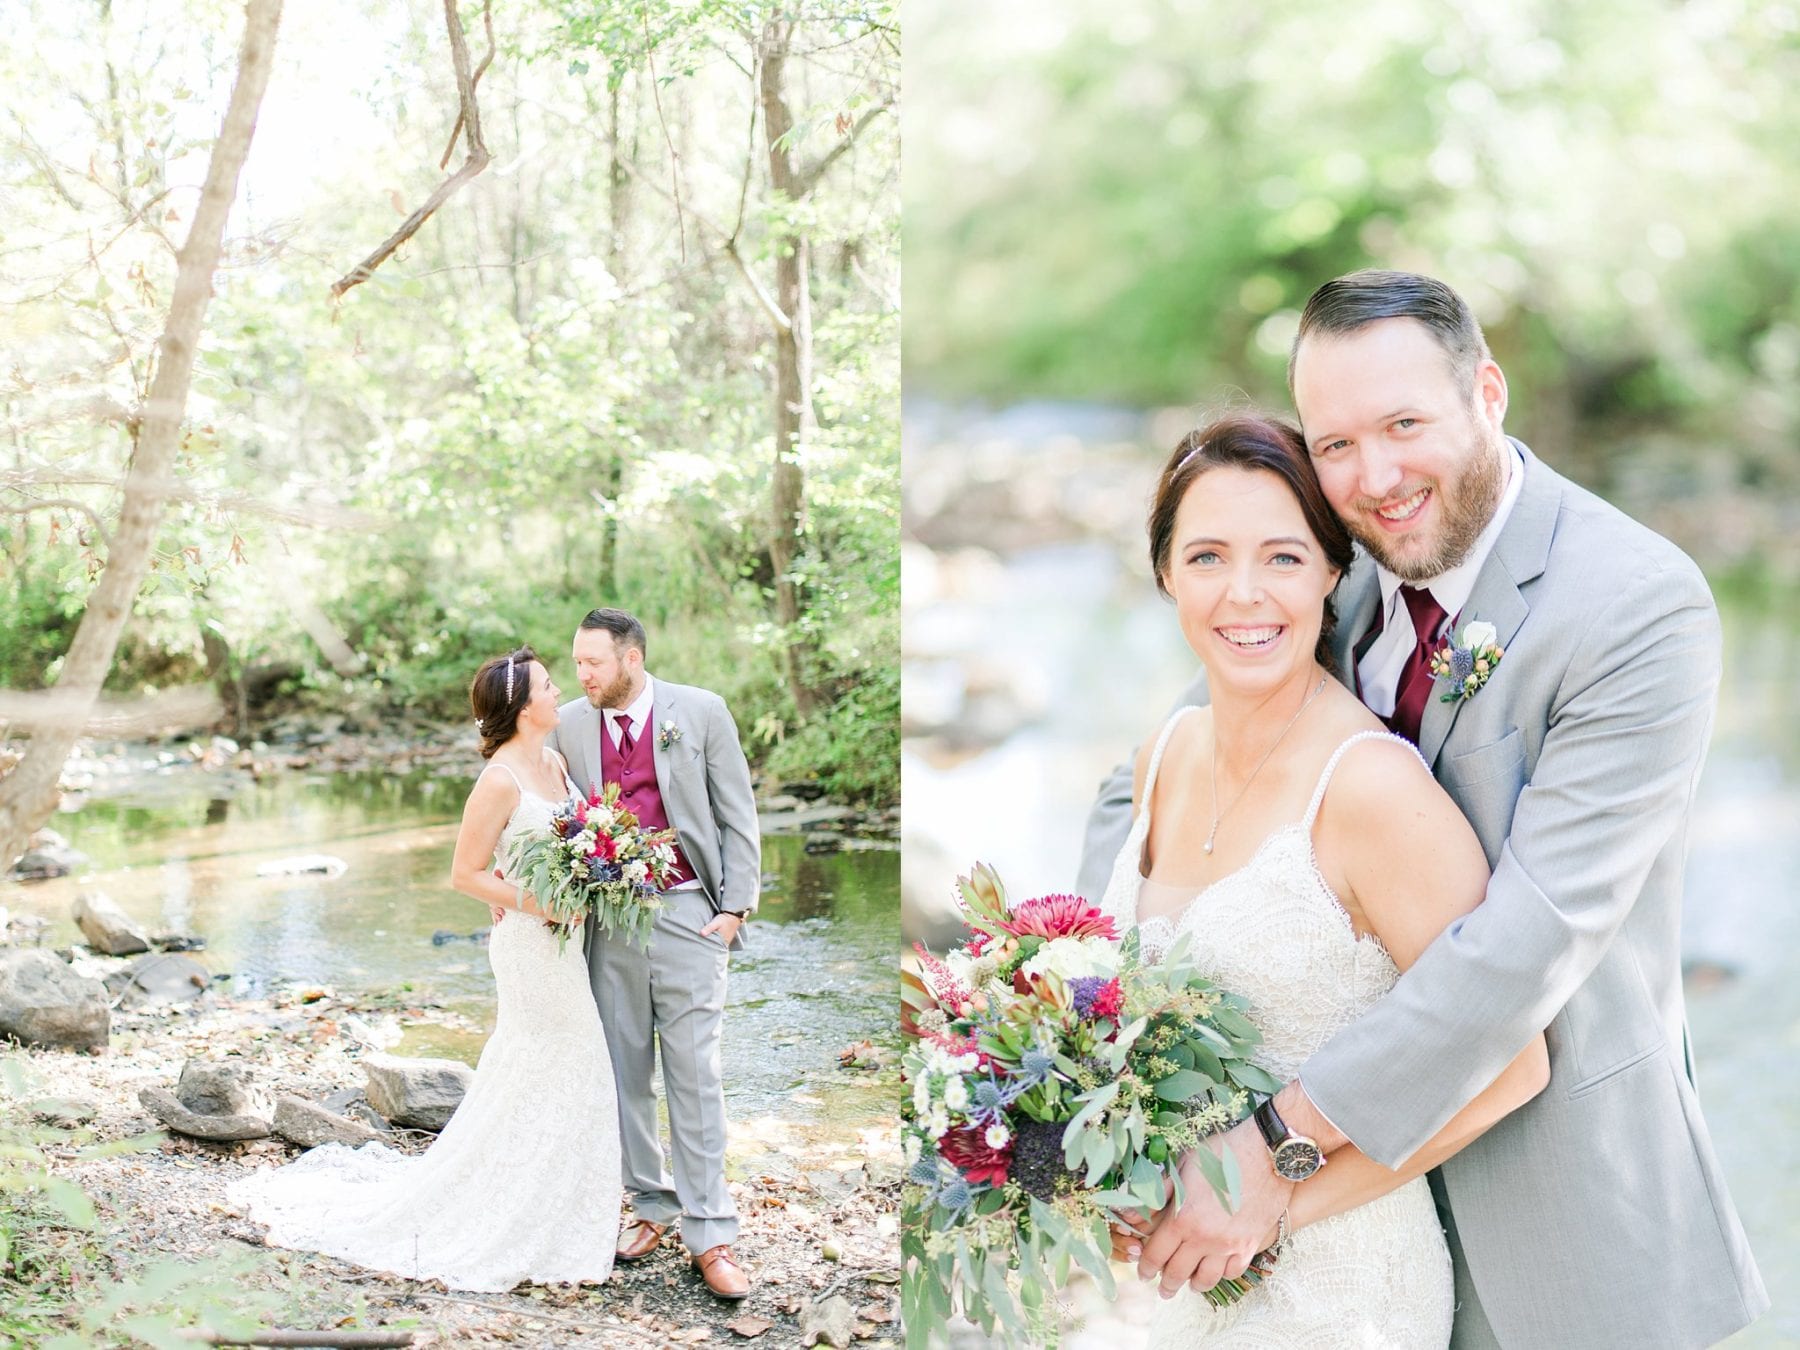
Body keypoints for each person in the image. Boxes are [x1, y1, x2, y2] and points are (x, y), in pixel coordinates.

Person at [1080, 271, 1767, 1347]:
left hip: (1555, 1200)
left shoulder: (1638, 607)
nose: (1376, 476)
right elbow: (1160, 769)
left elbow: (1527, 941)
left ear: (1486, 393)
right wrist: (1087, 1035)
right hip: (1334, 1229)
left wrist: (1272, 1145)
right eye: (1337, 443)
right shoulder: (1331, 565)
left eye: (1405, 424)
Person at [1089, 413, 1548, 1345]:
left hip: (1341, 1290)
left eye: (1285, 558)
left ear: (1337, 570)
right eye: (1208, 556)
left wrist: (1275, 1207)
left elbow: (1511, 1067)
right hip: (1177, 1283)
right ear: (1166, 572)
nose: (1244, 595)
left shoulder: (1372, 788)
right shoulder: (1164, 754)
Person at [229, 647, 621, 1292]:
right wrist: (536, 902)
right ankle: (517, 1210)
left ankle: (549, 1200)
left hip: (565, 941)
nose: (562, 694)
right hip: (529, 944)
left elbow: (567, 845)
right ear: (523, 708)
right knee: (563, 1059)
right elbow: (464, 874)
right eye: (551, 687)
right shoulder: (499, 780)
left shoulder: (553, 762)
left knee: (554, 1067)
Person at [547, 608, 761, 1301]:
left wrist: (733, 909)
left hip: (692, 912)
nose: (582, 677)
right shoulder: (571, 725)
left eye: (593, 664)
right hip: (609, 923)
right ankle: (650, 1205)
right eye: (577, 664)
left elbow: (737, 814)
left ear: (631, 659)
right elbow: (542, 809)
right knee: (624, 1070)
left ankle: (712, 1230)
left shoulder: (700, 713)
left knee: (696, 1071)